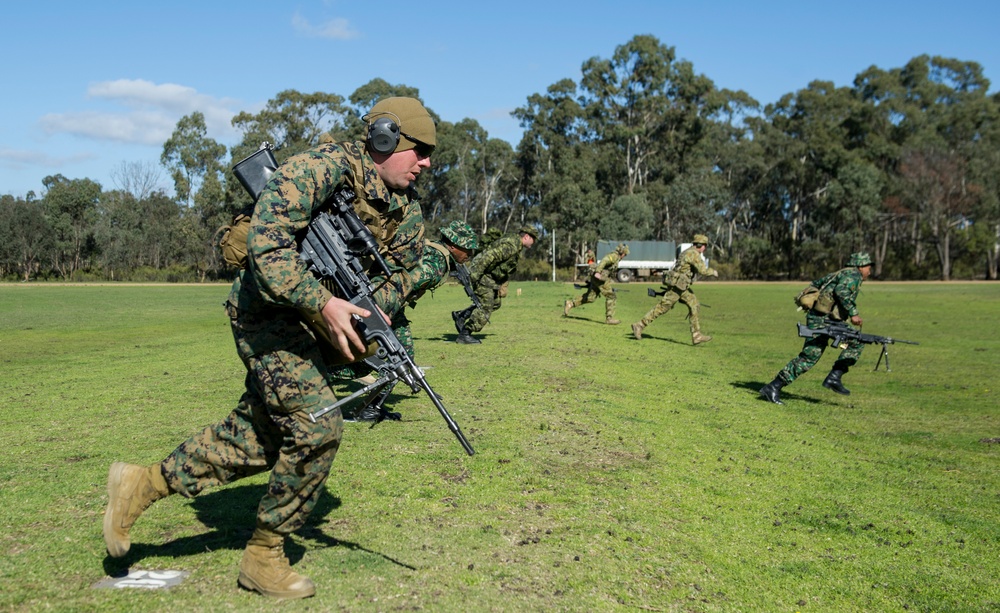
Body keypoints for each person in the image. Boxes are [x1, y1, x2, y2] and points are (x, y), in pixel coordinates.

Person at [102, 96, 437, 600]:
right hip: (267, 315)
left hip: (312, 330)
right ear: (385, 140)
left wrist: (375, 313)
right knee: (317, 424)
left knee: (256, 439)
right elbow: (266, 246)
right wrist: (323, 302)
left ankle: (140, 485)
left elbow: (394, 286)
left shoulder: (405, 214)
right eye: (419, 150)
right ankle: (264, 556)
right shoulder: (319, 170)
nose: (427, 162)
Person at [348, 220, 479, 421]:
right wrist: (378, 312)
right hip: (381, 303)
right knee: (389, 357)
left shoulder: (432, 249)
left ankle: (375, 403)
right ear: (453, 245)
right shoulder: (436, 263)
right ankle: (365, 403)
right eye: (467, 250)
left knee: (403, 353)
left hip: (388, 304)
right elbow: (402, 284)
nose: (469, 255)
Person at [759, 252, 873, 405]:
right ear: (860, 266)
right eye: (868, 267)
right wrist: (854, 314)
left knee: (850, 343)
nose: (869, 271)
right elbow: (842, 292)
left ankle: (832, 377)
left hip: (824, 319)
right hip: (824, 321)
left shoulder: (840, 273)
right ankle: (775, 386)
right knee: (814, 355)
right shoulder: (853, 275)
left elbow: (817, 283)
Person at [452, 225, 538, 344]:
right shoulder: (511, 246)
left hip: (490, 278)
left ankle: (462, 315)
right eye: (534, 239)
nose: (534, 242)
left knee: (496, 303)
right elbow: (489, 256)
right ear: (527, 236)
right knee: (486, 306)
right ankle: (465, 334)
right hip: (483, 276)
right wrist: (475, 274)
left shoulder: (515, 244)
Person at [631, 234, 718, 345]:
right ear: (702, 246)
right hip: (678, 287)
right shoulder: (694, 254)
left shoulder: (687, 251)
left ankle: (696, 335)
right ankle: (639, 325)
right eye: (705, 246)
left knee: (694, 305)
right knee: (662, 307)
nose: (704, 249)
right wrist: (713, 272)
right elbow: (703, 271)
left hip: (681, 286)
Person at [564, 242, 629, 324]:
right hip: (600, 279)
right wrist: (598, 272)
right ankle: (609, 318)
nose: (625, 256)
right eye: (625, 254)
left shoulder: (616, 257)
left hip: (598, 279)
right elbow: (604, 260)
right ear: (622, 252)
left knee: (590, 298)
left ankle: (570, 304)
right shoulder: (614, 256)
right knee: (611, 296)